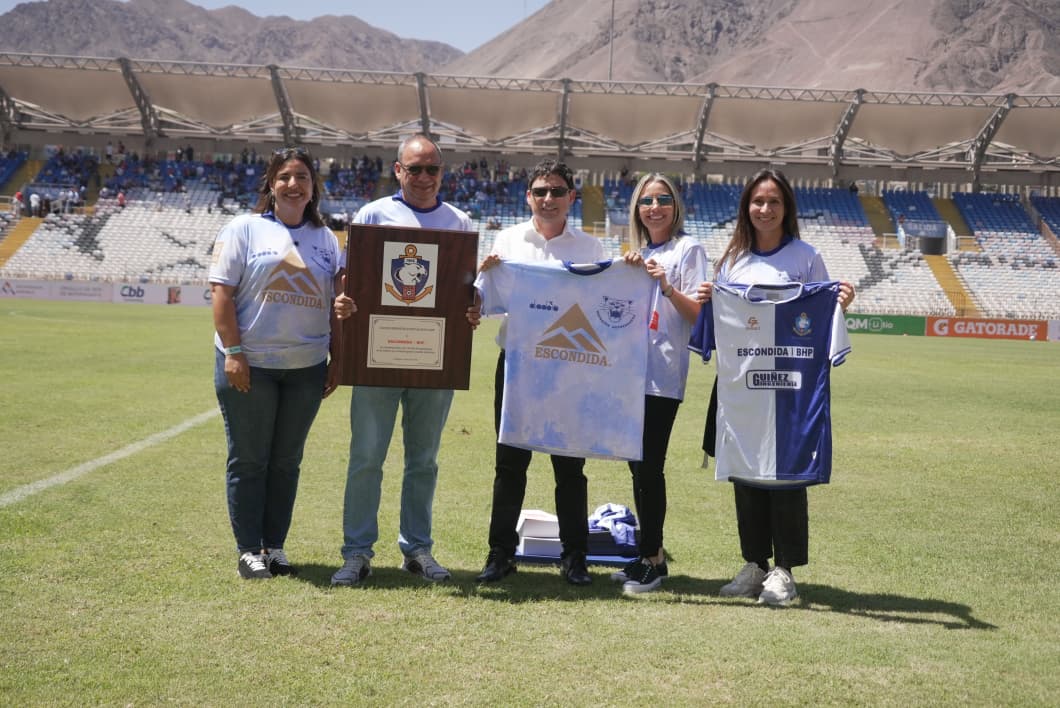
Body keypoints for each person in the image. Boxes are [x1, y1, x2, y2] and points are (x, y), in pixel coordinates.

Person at [696, 168, 855, 605]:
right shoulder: (731, 260)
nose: (765, 209)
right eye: (758, 202)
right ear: (747, 207)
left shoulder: (805, 256)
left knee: (786, 478)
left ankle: (784, 570)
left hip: (789, 388)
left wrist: (842, 301)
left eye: (774, 202)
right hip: (741, 385)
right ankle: (754, 564)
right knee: (745, 472)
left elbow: (823, 313)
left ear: (787, 209)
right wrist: (711, 298)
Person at [331, 133, 474, 587]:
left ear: (442, 173)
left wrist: (475, 304)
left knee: (424, 460)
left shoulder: (460, 222)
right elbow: (351, 280)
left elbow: (467, 289)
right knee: (366, 457)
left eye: (432, 169)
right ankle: (357, 552)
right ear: (398, 171)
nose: (424, 177)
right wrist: (345, 303)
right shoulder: (374, 214)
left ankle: (417, 548)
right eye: (415, 169)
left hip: (435, 358)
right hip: (377, 356)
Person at [209, 146, 344, 580]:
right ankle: (249, 550)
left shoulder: (326, 240)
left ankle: (275, 547)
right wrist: (233, 352)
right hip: (251, 364)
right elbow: (222, 294)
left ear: (313, 188)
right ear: (271, 184)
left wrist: (337, 358)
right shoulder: (244, 229)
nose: (293, 184)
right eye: (284, 177)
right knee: (249, 460)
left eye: (302, 177)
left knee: (287, 461)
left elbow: (335, 307)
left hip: (306, 368)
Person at [473, 160, 605, 586]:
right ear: (528, 196)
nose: (548, 199)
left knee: (570, 466)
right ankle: (499, 554)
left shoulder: (591, 249)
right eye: (540, 191)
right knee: (509, 464)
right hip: (517, 365)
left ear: (572, 197)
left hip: (571, 367)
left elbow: (605, 304)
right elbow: (483, 301)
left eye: (557, 191)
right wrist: (482, 278)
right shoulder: (507, 241)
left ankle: (575, 556)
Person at [609, 173, 710, 594]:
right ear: (637, 209)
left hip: (662, 375)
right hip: (630, 372)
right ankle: (647, 553)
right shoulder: (639, 252)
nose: (655, 207)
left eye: (663, 199)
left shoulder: (689, 249)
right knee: (638, 465)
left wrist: (665, 285)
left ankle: (654, 561)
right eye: (647, 201)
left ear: (676, 206)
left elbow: (698, 317)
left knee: (650, 467)